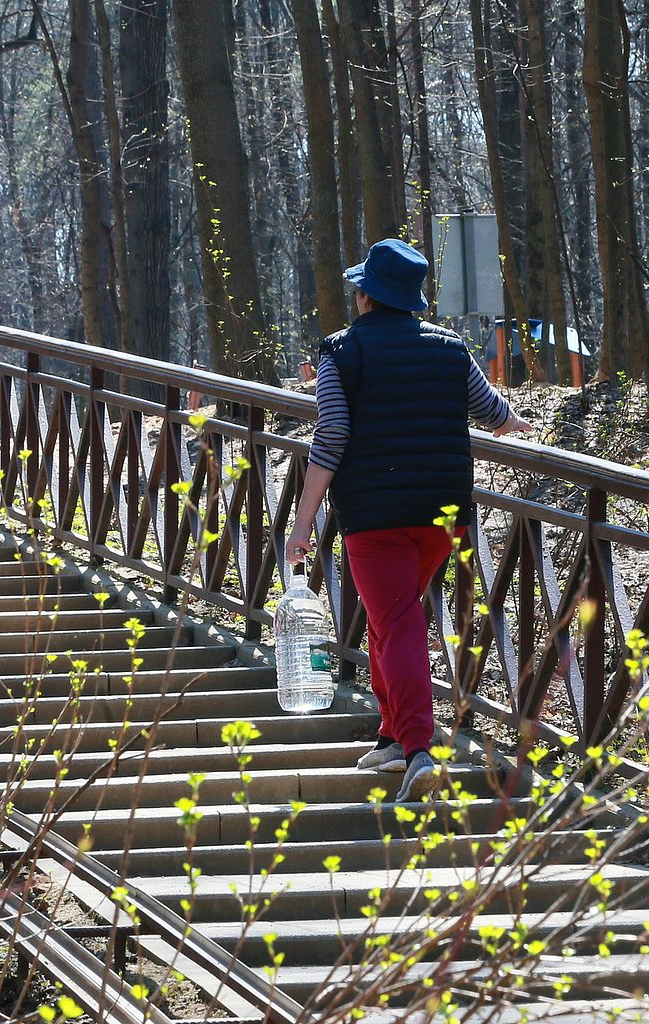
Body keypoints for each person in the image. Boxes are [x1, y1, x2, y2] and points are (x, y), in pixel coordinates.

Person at [284, 238, 532, 803]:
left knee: (396, 621)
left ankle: (420, 747)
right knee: (390, 616)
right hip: (442, 513)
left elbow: (332, 435)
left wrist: (303, 522)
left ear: (366, 295)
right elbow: (495, 414)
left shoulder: (341, 353)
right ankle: (394, 735)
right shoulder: (449, 350)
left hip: (375, 515)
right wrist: (529, 439)